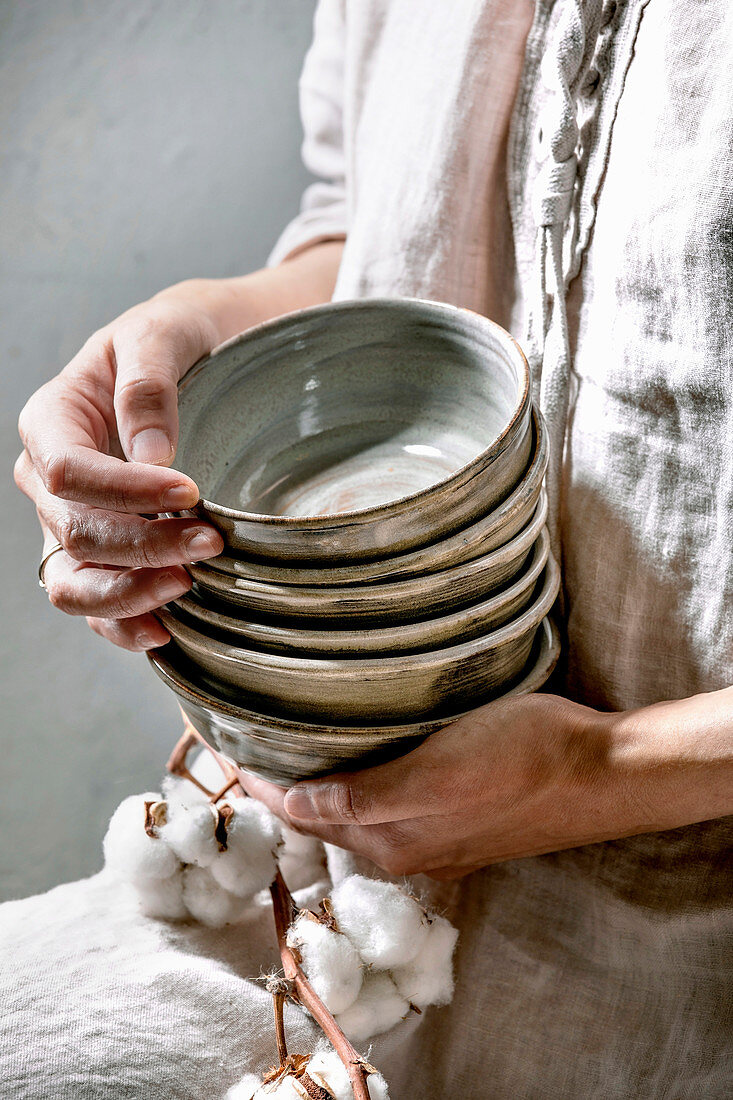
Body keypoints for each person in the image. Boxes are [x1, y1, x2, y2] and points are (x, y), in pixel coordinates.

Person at [8, 1, 732, 1096]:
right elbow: (370, 225)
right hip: (337, 889)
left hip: (680, 969)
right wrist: (196, 332)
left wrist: (604, 771)